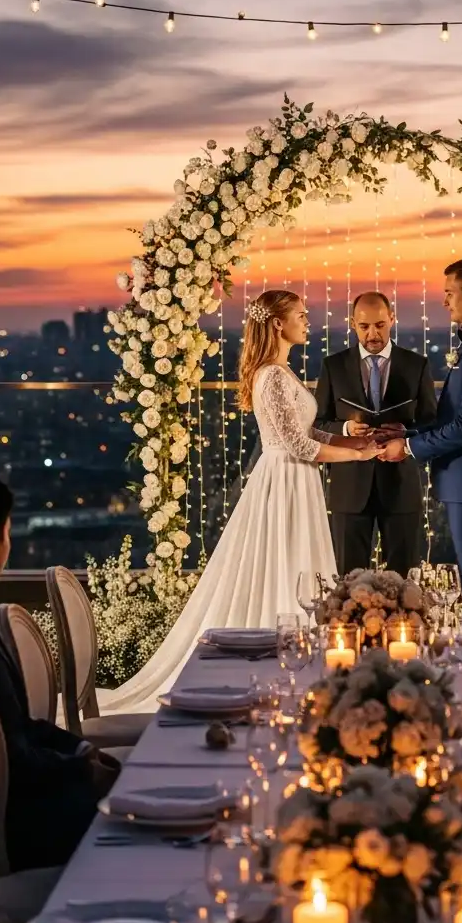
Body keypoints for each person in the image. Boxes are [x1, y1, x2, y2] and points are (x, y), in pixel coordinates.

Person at [99, 291, 377, 714]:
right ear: (279, 324)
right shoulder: (272, 376)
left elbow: (311, 435)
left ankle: (301, 667)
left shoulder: (281, 372)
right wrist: (357, 455)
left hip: (296, 480)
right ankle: (281, 667)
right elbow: (299, 447)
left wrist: (351, 438)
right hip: (285, 481)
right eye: (301, 315)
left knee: (297, 563)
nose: (308, 322)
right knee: (284, 563)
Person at [0, 475, 120, 871]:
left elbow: (18, 727)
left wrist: (82, 750)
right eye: (7, 531)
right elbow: (9, 755)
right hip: (19, 821)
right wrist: (80, 770)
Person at [379, 258, 462, 626]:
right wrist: (407, 433)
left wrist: (408, 450)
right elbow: (459, 417)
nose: (444, 302)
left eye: (449, 293)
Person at [314, 291, 437, 575]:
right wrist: (345, 428)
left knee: (405, 580)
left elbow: (432, 424)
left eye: (380, 325)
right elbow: (318, 425)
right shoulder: (333, 366)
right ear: (352, 323)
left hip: (401, 487)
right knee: (348, 581)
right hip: (349, 489)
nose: (372, 334)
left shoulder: (416, 365)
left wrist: (407, 433)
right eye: (364, 326)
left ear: (392, 319)